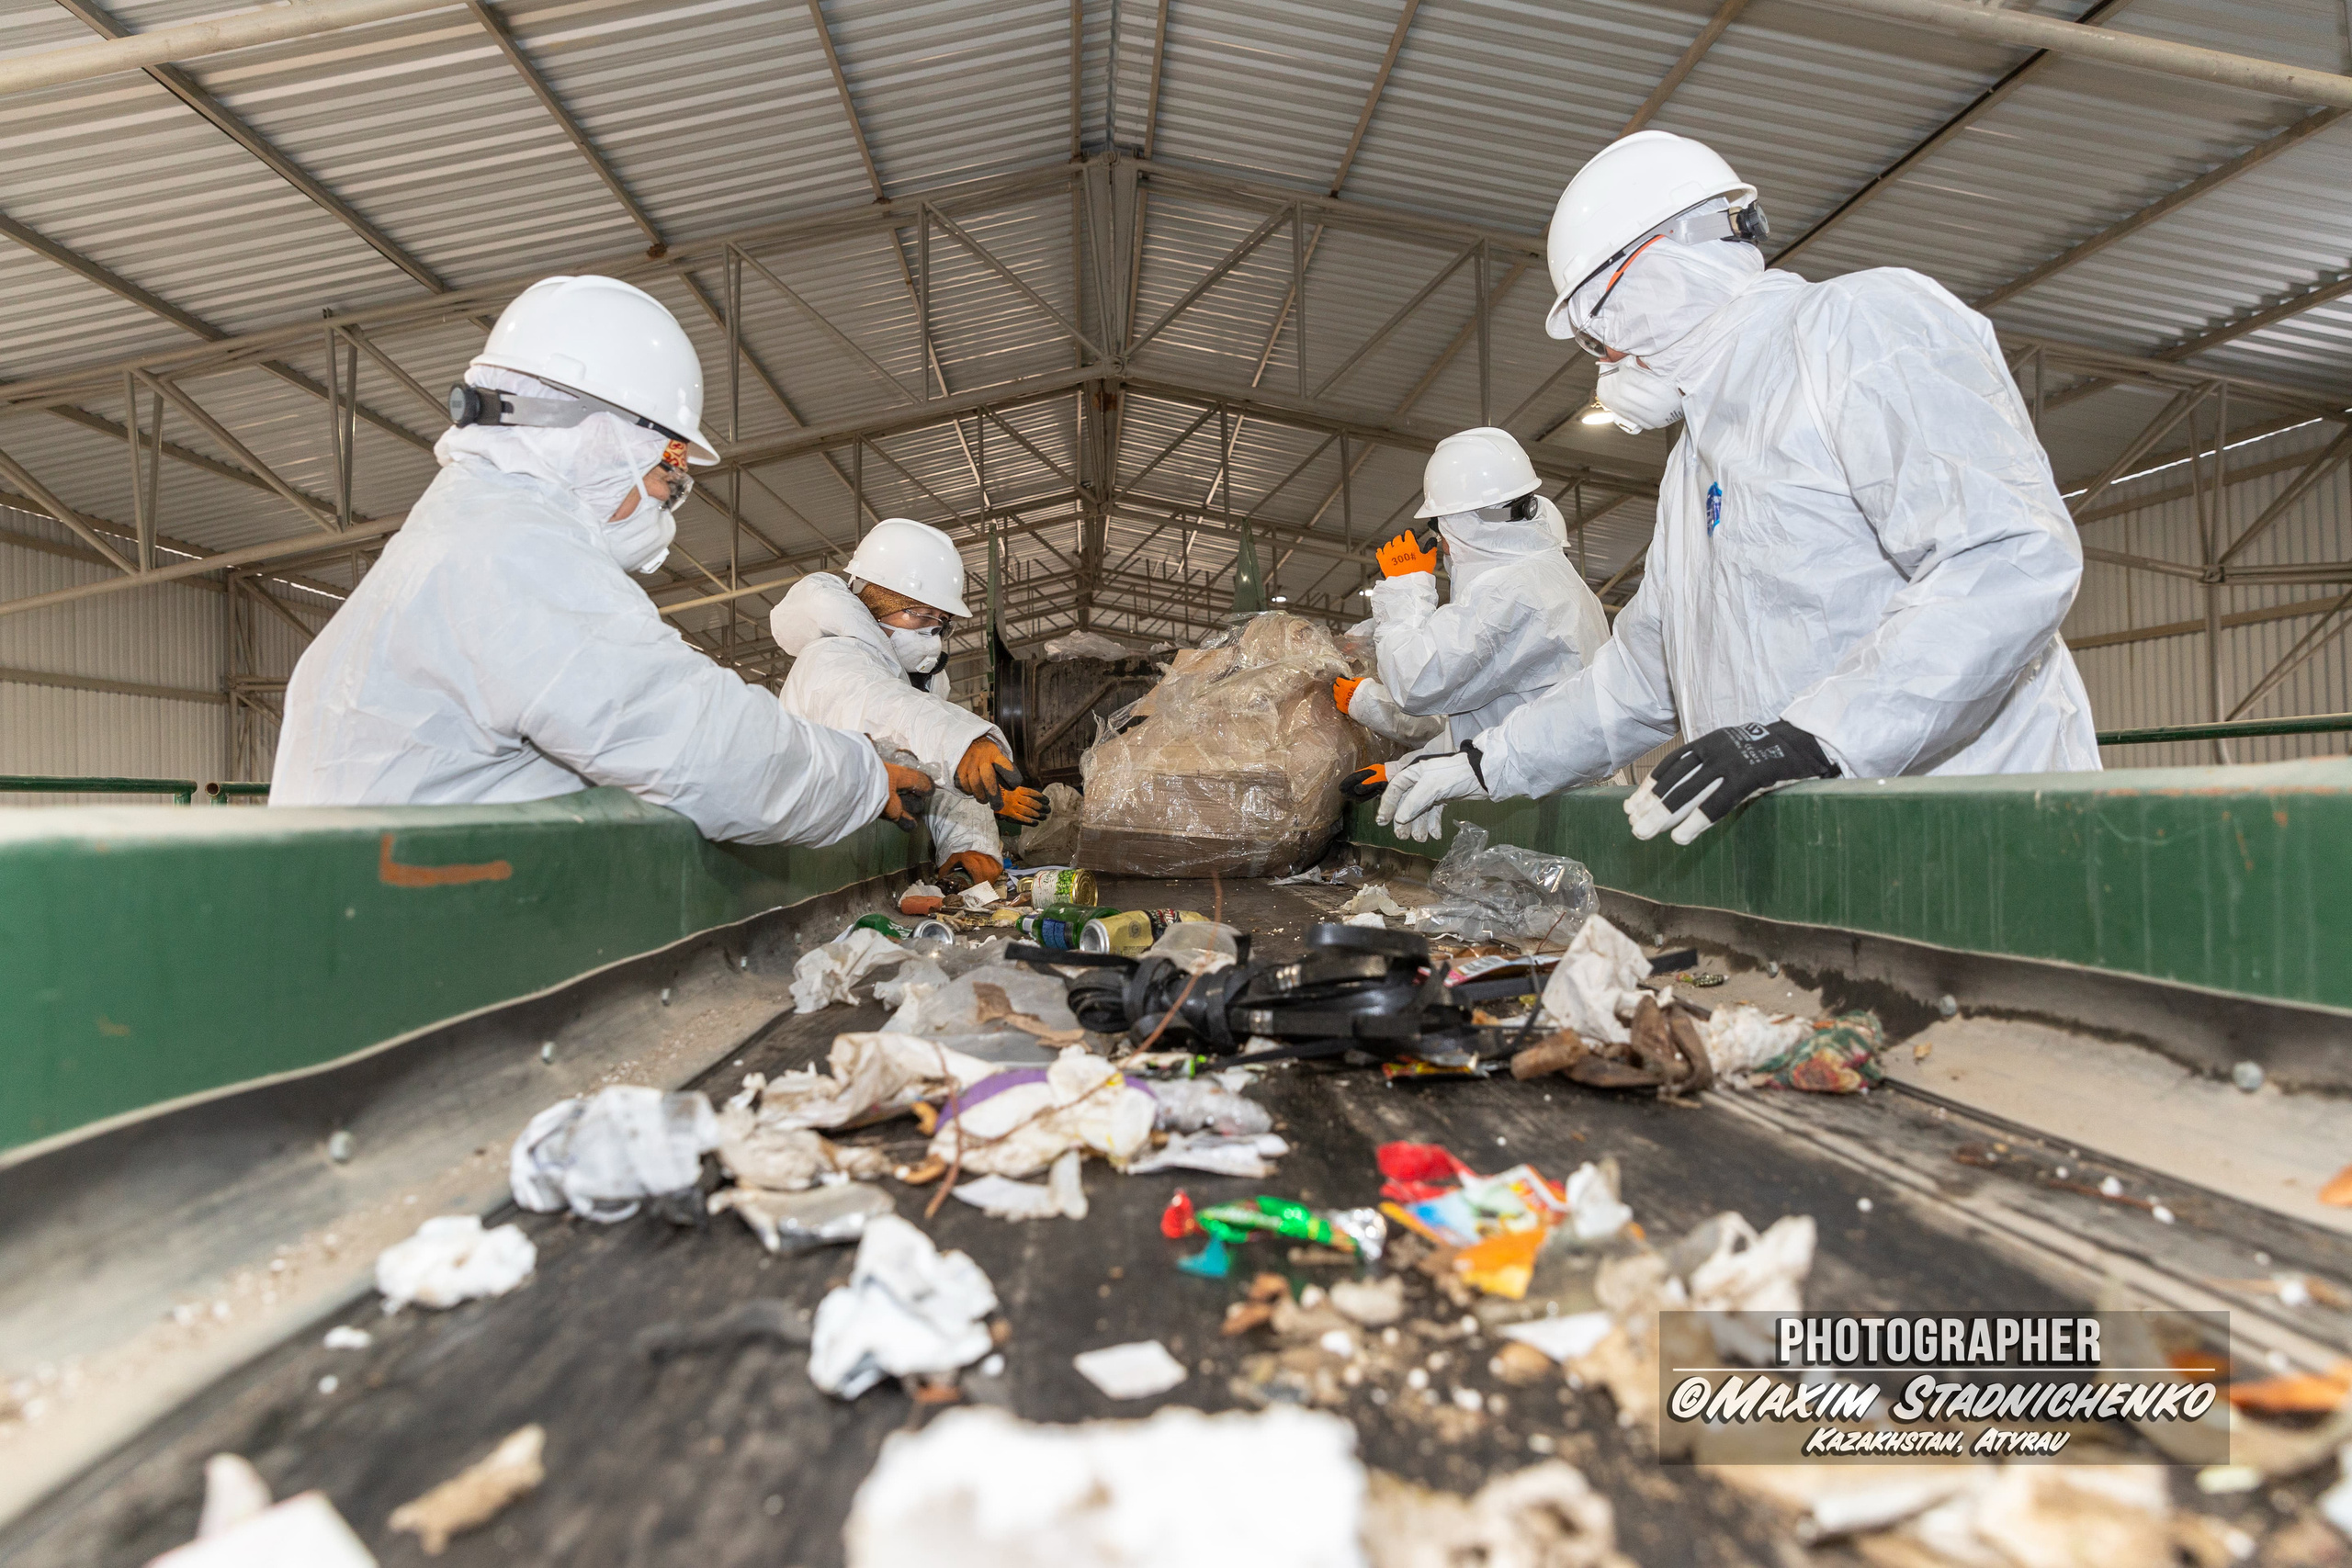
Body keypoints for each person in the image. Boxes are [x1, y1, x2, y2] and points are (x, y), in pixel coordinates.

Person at [1379, 130, 2098, 845]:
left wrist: (1819, 734)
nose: (1607, 363)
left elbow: (2008, 557)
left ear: (1650, 278)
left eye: (1599, 335)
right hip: (1846, 858)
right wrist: (1485, 761)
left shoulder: (1854, 329)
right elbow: (1639, 678)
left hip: (1985, 839)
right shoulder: (1695, 465)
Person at [273, 274, 928, 845]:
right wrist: (861, 778)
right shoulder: (515, 553)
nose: (667, 495)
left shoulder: (463, 530)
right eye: (667, 466)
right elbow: (697, 742)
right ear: (598, 438)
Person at [772, 517, 1048, 891]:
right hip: (803, 875)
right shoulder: (830, 656)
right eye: (920, 614)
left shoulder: (917, 682)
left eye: (940, 623)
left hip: (866, 871)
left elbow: (937, 778)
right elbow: (879, 707)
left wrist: (969, 847)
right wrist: (959, 741)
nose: (932, 636)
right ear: (875, 600)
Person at [1335, 427, 1609, 794]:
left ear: (1463, 522)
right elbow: (1489, 724)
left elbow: (1415, 684)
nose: (1442, 545)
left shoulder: (1511, 592)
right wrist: (1407, 769)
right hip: (1539, 787)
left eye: (1438, 526)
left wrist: (1406, 587)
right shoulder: (1544, 578)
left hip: (1544, 803)